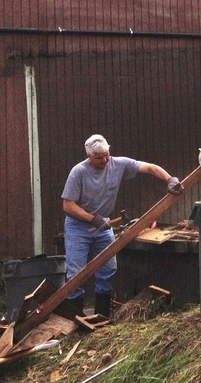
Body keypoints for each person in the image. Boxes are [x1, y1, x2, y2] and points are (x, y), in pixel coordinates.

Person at [61, 134, 183, 317]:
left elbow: (149, 167)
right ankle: (74, 319)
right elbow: (68, 205)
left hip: (104, 226)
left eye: (106, 156)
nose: (104, 160)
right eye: (98, 158)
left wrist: (170, 179)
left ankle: (101, 316)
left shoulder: (118, 164)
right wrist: (92, 219)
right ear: (89, 157)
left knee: (108, 269)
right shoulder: (78, 172)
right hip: (79, 227)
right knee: (76, 273)